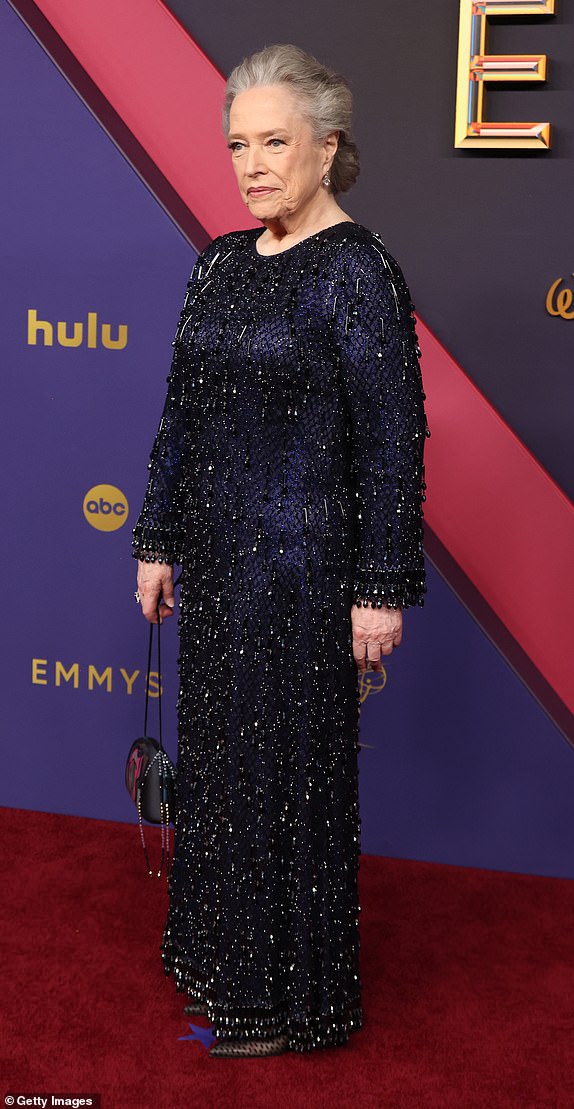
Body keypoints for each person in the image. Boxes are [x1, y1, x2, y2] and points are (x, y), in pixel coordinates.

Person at [132, 42, 429, 1058]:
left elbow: (393, 444)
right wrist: (158, 537)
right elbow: (182, 414)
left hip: (305, 576)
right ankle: (216, 958)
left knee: (286, 779)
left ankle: (285, 997)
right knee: (217, 772)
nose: (252, 164)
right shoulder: (217, 260)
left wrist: (380, 588)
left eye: (273, 141)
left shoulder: (358, 272)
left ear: (327, 146)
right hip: (215, 570)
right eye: (236, 145)